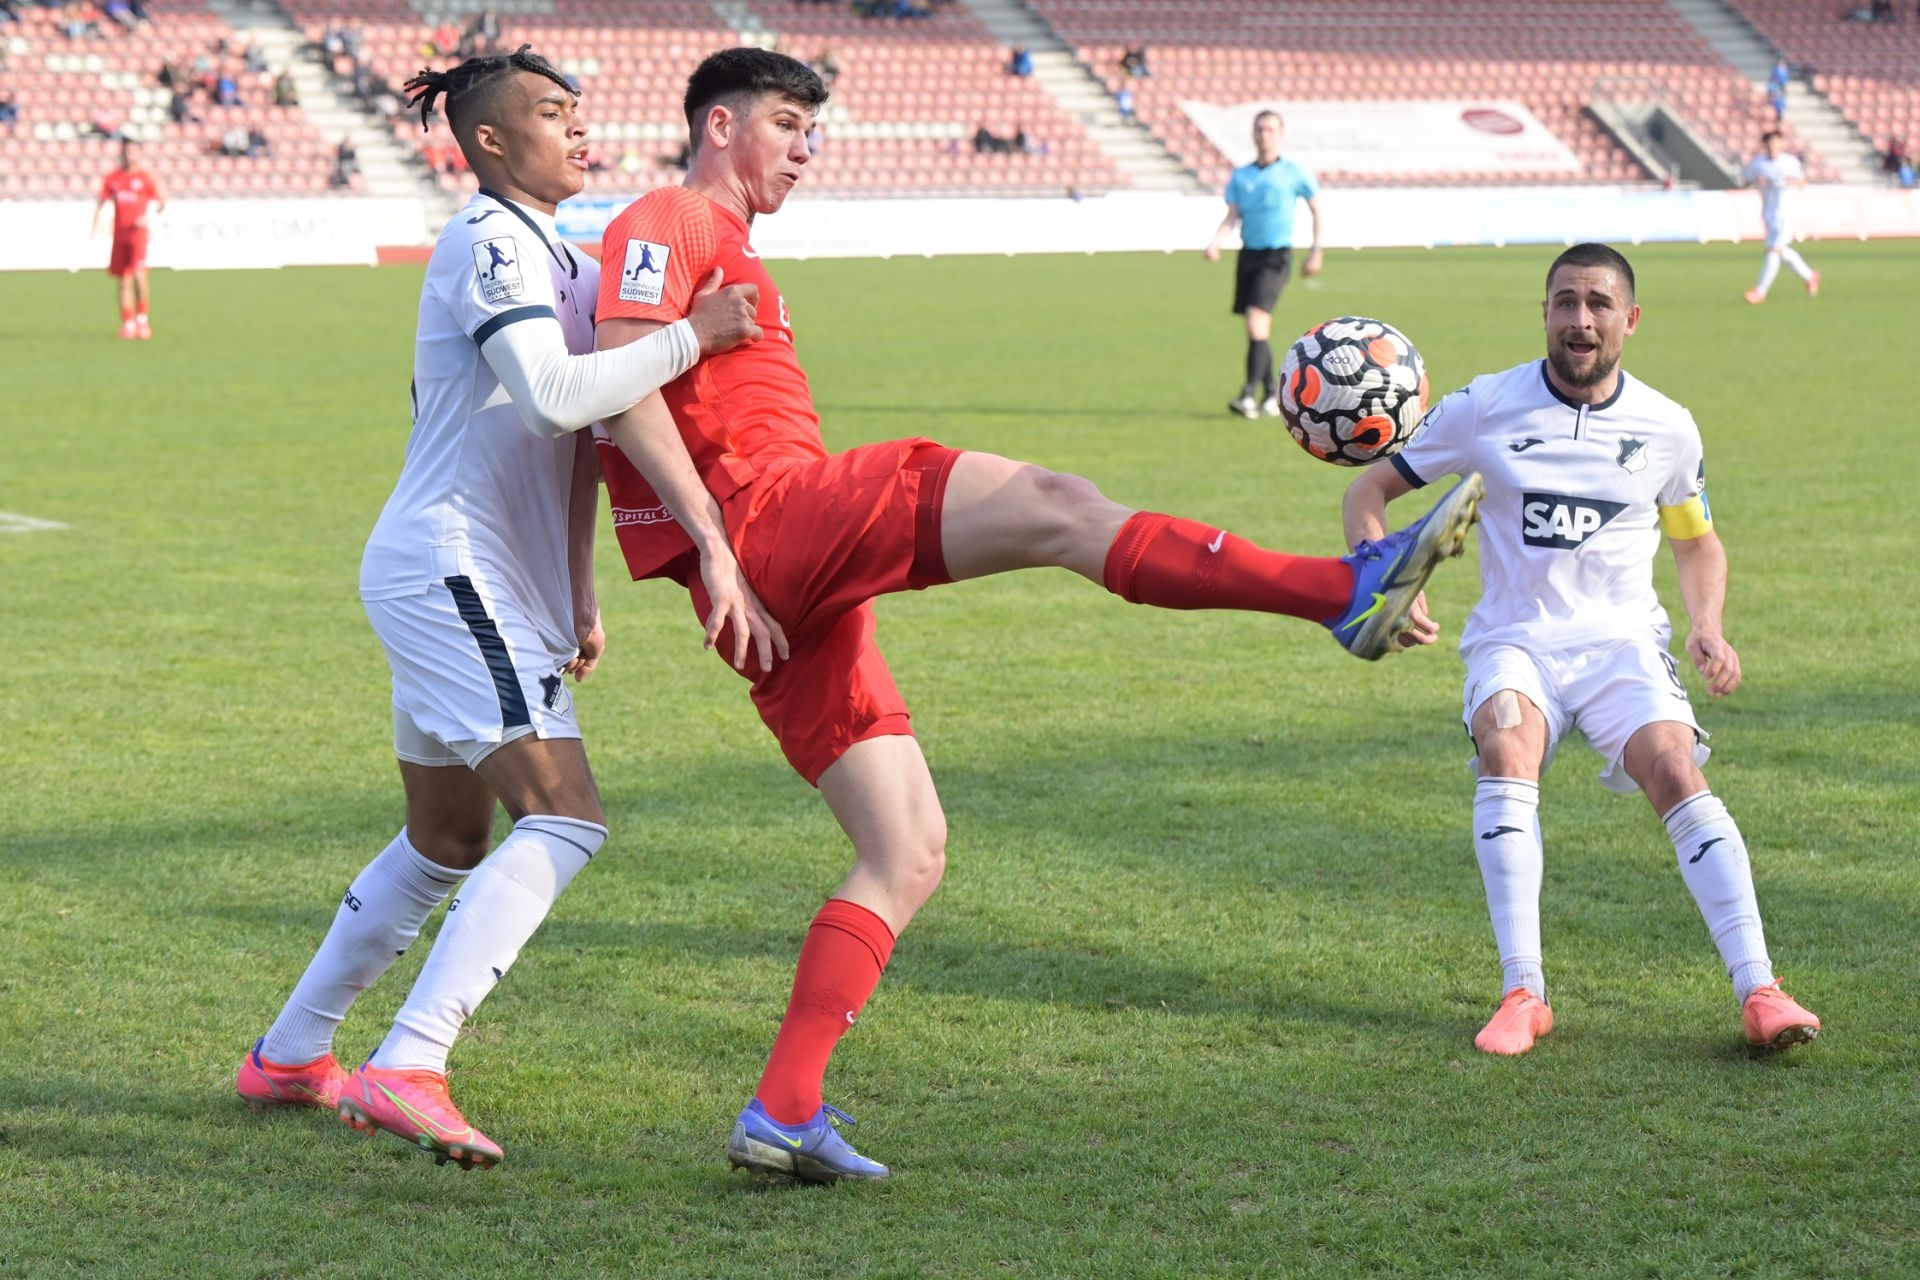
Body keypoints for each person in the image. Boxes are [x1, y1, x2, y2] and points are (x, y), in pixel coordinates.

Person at [589, 47, 1484, 1184]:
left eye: (814, 132)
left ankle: (781, 1107)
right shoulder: (668, 214)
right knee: (1058, 506)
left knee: (907, 848)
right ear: (718, 125)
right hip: (769, 526)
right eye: (785, 125)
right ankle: (1336, 590)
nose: (804, 150)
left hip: (767, 570)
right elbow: (615, 372)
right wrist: (714, 541)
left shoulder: (735, 252)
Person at [232, 44, 775, 1172]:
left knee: (447, 835)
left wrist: (573, 588)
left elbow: (580, 443)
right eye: (551, 114)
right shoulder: (487, 242)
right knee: (566, 815)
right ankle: (410, 1059)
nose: (580, 130)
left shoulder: (567, 260)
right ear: (488, 141)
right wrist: (694, 334)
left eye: (582, 111)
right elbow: (555, 392)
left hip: (488, 577)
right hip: (450, 567)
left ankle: (291, 1054)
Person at [1342, 242, 1821, 1059]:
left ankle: (1760, 990)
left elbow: (1697, 543)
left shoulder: (1667, 427)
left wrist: (1708, 624)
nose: (1580, 319)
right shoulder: (1486, 406)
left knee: (1674, 764)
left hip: (1621, 642)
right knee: (1506, 740)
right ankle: (1522, 992)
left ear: (1629, 320)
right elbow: (1368, 491)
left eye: (1598, 304)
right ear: (1545, 314)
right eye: (1565, 302)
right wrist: (1390, 578)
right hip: (1515, 639)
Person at [1203, 110, 1322, 419]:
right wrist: (1216, 241)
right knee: (1256, 330)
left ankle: (1248, 395)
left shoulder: (1294, 172)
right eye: (1259, 129)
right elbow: (1232, 216)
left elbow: (1316, 209)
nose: (1264, 134)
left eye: (1270, 129)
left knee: (1257, 321)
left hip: (1276, 255)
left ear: (1280, 134)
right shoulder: (1241, 175)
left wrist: (1316, 250)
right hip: (1249, 255)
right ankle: (1272, 394)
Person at [91, 137, 164, 339]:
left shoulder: (145, 178)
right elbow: (102, 202)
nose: (128, 155)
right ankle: (127, 323)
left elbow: (161, 202)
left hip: (138, 235)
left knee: (139, 275)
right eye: (126, 151)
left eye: (132, 151)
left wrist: (147, 216)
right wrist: (95, 224)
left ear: (139, 154)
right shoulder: (113, 178)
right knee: (123, 280)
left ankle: (142, 319)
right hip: (120, 235)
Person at [1742, 131, 1819, 304]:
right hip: (1767, 212)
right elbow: (1745, 183)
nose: (1772, 147)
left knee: (1773, 250)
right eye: (1769, 144)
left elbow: (1802, 183)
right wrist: (1755, 182)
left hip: (1783, 213)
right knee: (1781, 250)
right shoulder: (1758, 164)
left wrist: (1793, 181)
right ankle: (1810, 276)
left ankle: (1760, 292)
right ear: (1765, 146)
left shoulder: (1789, 162)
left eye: (1775, 143)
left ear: (1780, 144)